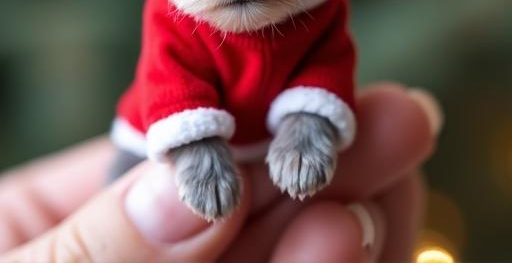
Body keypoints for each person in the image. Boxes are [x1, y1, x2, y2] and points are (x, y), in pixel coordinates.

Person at [0, 83, 441, 262]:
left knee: (332, 230)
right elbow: (168, 87)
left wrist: (309, 123)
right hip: (146, 161)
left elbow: (326, 69)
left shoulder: (320, 6)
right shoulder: (172, 14)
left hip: (270, 200)